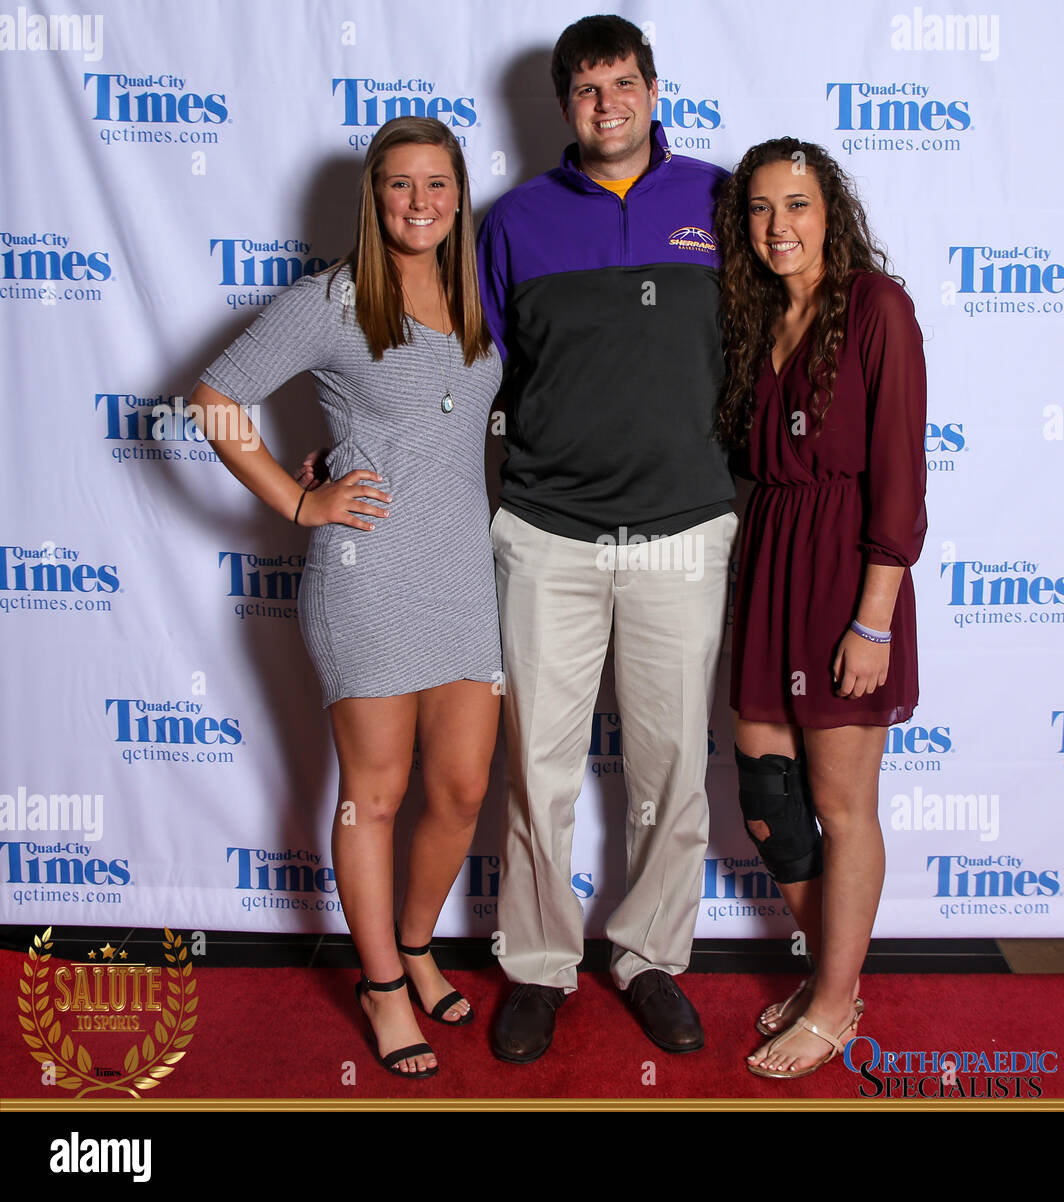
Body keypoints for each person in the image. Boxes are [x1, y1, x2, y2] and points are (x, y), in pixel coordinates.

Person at [189, 117, 501, 1078]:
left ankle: (415, 944)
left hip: (462, 574)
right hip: (366, 579)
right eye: (401, 185)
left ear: (458, 195)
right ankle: (379, 987)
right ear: (375, 197)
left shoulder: (478, 291)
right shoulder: (332, 297)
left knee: (460, 790)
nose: (421, 202)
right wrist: (298, 497)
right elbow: (213, 398)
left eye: (438, 184)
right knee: (376, 794)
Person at [475, 13, 737, 1062]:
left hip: (684, 528)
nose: (606, 104)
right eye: (585, 90)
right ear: (561, 105)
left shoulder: (719, 201)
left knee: (671, 767)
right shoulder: (512, 223)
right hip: (548, 530)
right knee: (539, 768)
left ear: (653, 89)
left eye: (622, 83)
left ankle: (647, 955)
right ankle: (539, 963)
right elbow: (468, 376)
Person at [714, 137, 927, 1079]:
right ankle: (838, 972)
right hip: (771, 560)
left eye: (796, 205)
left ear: (829, 211)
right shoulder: (756, 318)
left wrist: (873, 615)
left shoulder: (878, 308)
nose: (778, 226)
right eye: (760, 209)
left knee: (842, 807)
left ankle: (835, 1001)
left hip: (847, 569)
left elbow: (900, 474)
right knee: (768, 793)